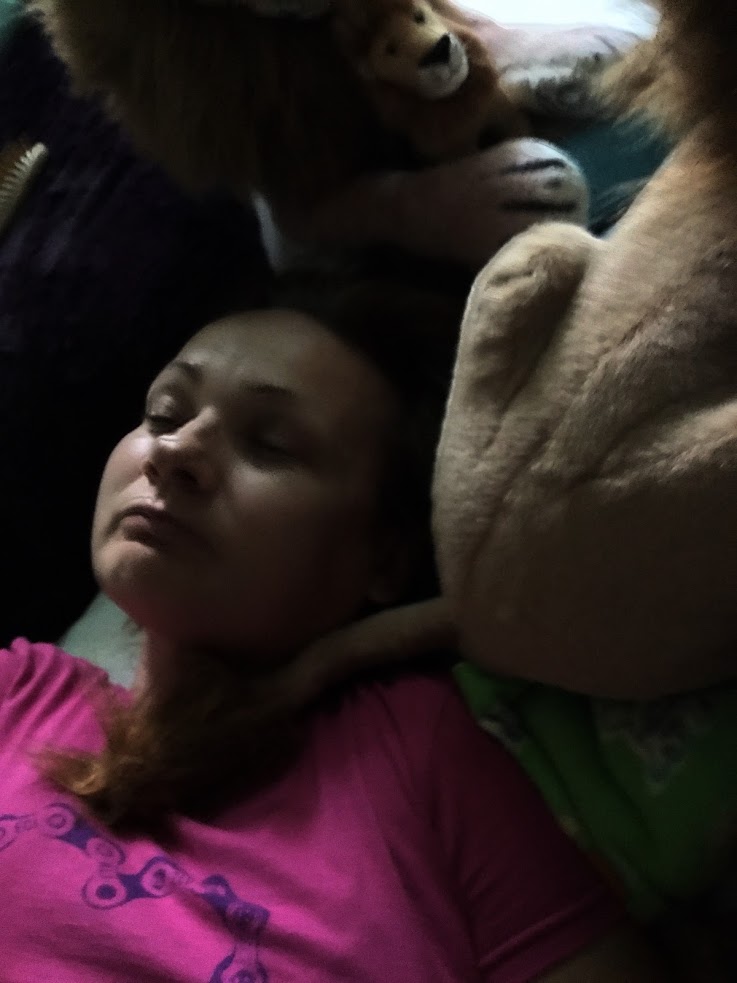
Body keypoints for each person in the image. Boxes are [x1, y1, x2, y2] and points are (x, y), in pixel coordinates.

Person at [0, 276, 663, 981]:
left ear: (384, 557)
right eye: (164, 415)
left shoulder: (420, 752)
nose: (175, 451)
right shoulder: (18, 691)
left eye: (270, 445)